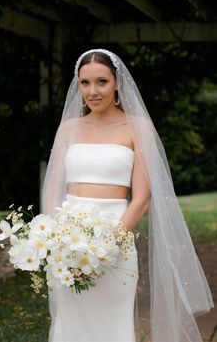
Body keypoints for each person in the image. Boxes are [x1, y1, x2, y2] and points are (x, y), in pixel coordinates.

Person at [42, 49, 214, 342]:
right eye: (85, 83)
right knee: (70, 327)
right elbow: (51, 190)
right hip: (68, 247)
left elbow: (142, 198)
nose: (92, 91)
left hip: (115, 244)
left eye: (101, 82)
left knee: (113, 327)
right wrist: (61, 243)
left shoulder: (138, 127)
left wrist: (104, 247)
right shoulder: (68, 128)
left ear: (117, 82)